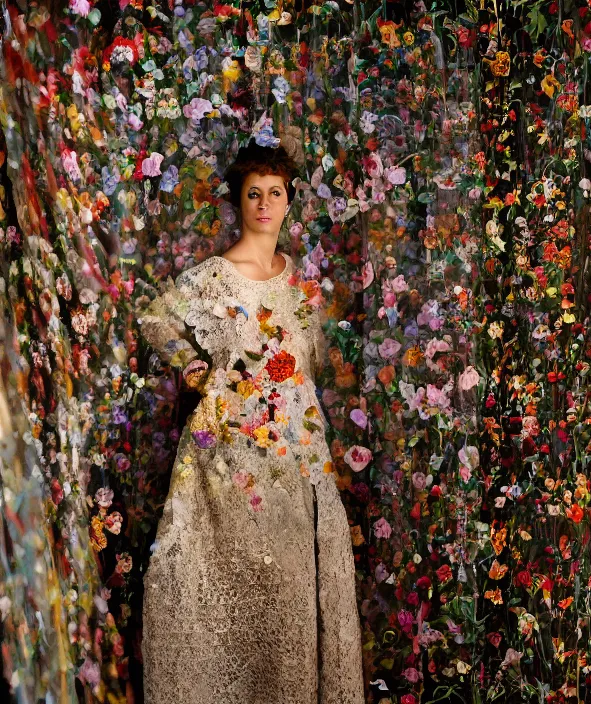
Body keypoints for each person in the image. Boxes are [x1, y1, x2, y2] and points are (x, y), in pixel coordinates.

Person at [139, 142, 365, 703]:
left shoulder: (302, 285)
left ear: (289, 203)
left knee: (289, 601)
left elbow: (311, 369)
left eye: (275, 194)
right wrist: (193, 365)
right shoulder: (214, 278)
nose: (265, 203)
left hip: (294, 458)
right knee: (217, 591)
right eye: (253, 194)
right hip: (226, 462)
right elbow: (153, 317)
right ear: (238, 203)